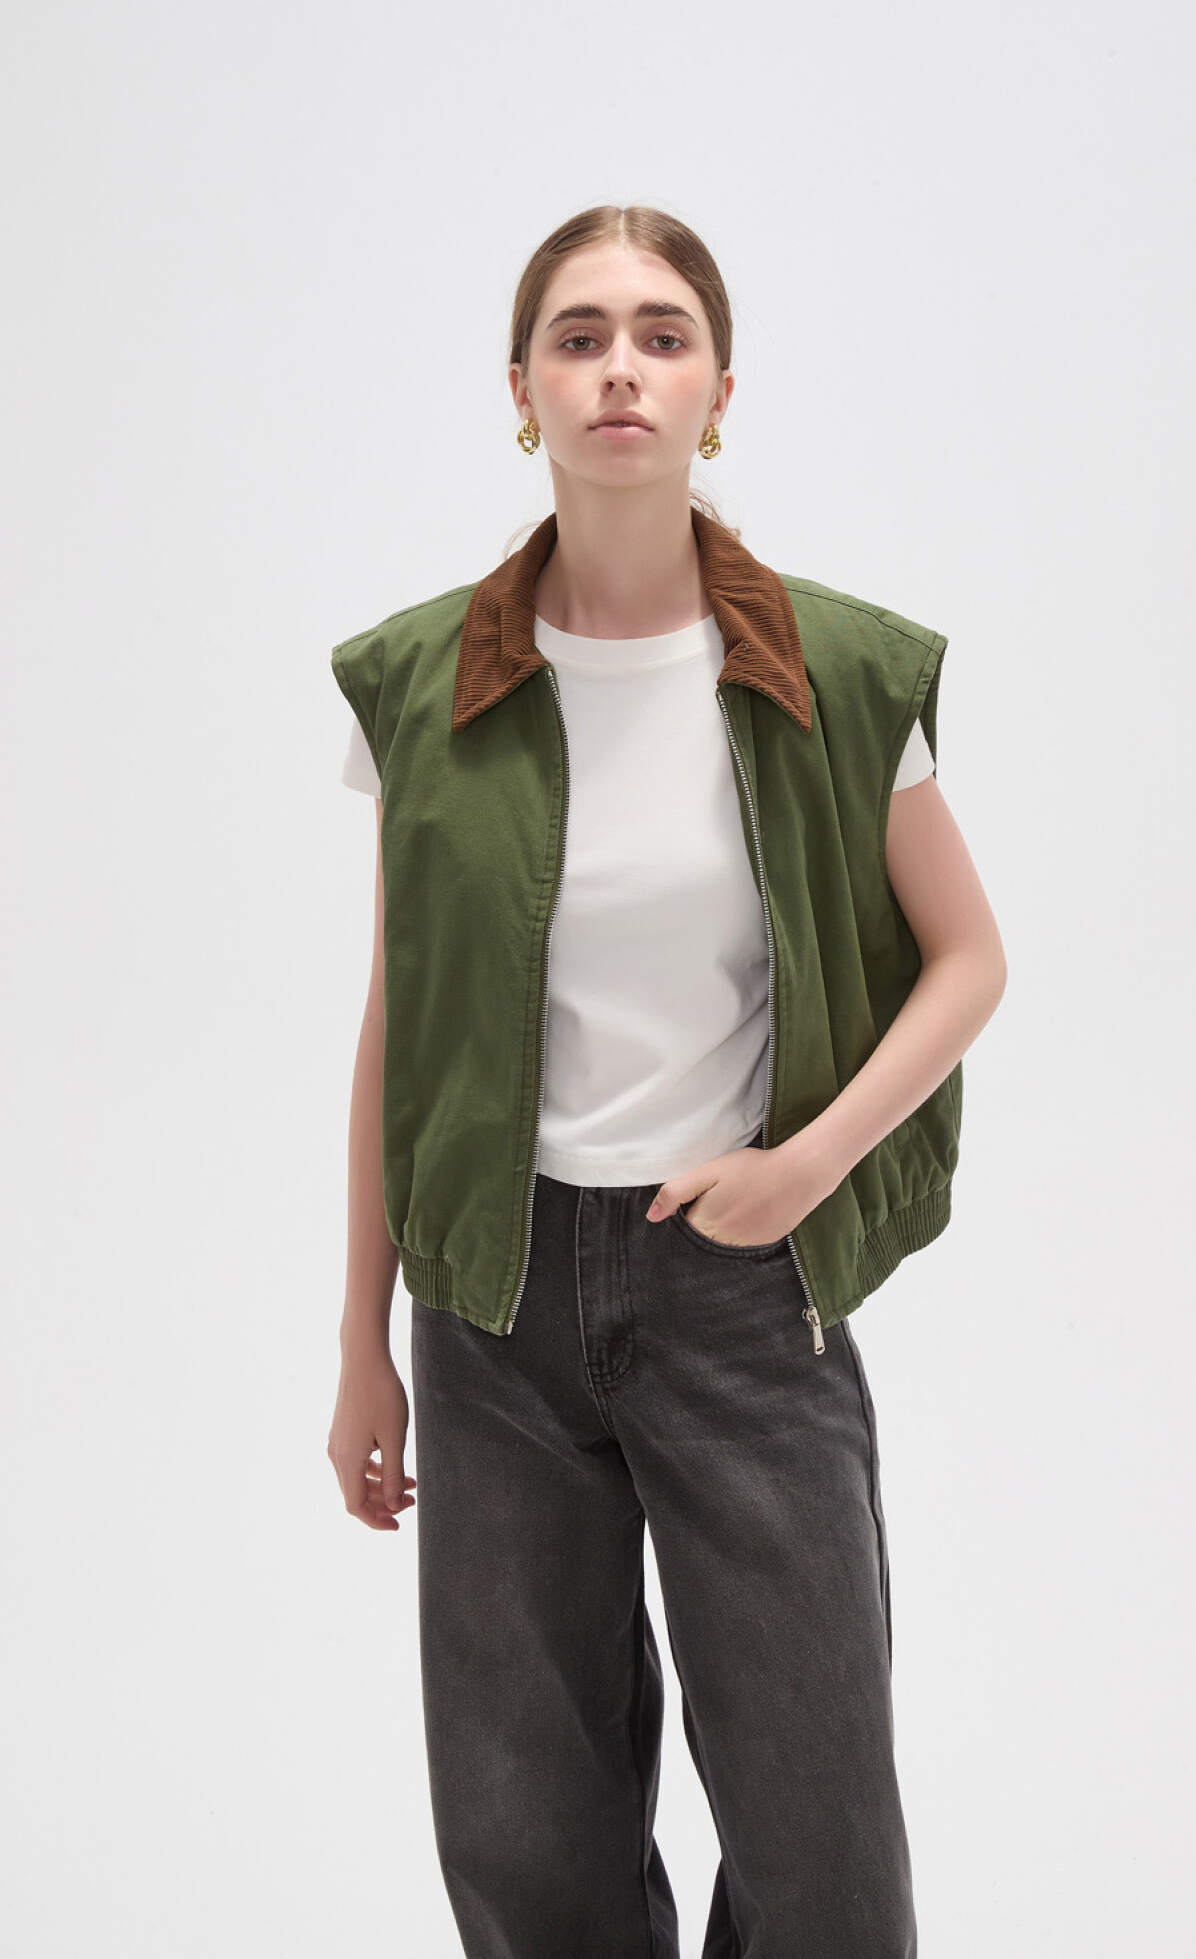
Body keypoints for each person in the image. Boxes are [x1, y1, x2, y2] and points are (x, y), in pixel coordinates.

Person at [327, 203, 1006, 1959]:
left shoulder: (835, 670)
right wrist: (361, 1341)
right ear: (520, 390)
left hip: (737, 1287)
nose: (617, 367)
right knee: (525, 1839)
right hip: (489, 1305)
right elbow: (402, 1025)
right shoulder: (419, 682)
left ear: (716, 391)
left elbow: (968, 959)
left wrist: (805, 1167)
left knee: (817, 1837)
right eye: (576, 336)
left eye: (659, 334)